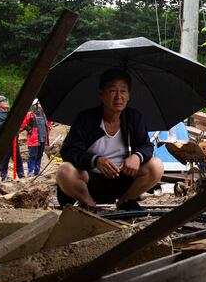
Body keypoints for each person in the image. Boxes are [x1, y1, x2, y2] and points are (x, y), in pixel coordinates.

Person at [56, 69, 163, 210]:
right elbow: (69, 151)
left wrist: (137, 157)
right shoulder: (86, 118)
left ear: (129, 95)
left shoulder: (133, 118)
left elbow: (146, 146)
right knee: (64, 171)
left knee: (156, 166)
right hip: (90, 179)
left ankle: (125, 202)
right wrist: (96, 160)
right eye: (112, 91)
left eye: (123, 91)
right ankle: (90, 207)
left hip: (122, 178)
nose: (118, 97)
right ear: (101, 94)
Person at [0, 95, 25, 180]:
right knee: (4, 160)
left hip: (14, 140)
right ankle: (4, 177)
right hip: (4, 142)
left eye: (7, 100)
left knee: (18, 159)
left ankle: (21, 175)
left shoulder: (10, 113)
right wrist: (11, 122)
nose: (7, 102)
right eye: (4, 100)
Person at [21, 99, 50, 176]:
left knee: (39, 155)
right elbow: (22, 123)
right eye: (39, 104)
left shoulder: (44, 115)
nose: (41, 106)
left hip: (42, 139)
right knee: (32, 156)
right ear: (35, 105)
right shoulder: (30, 114)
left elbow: (47, 124)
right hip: (33, 140)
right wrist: (29, 129)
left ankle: (37, 172)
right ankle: (30, 172)